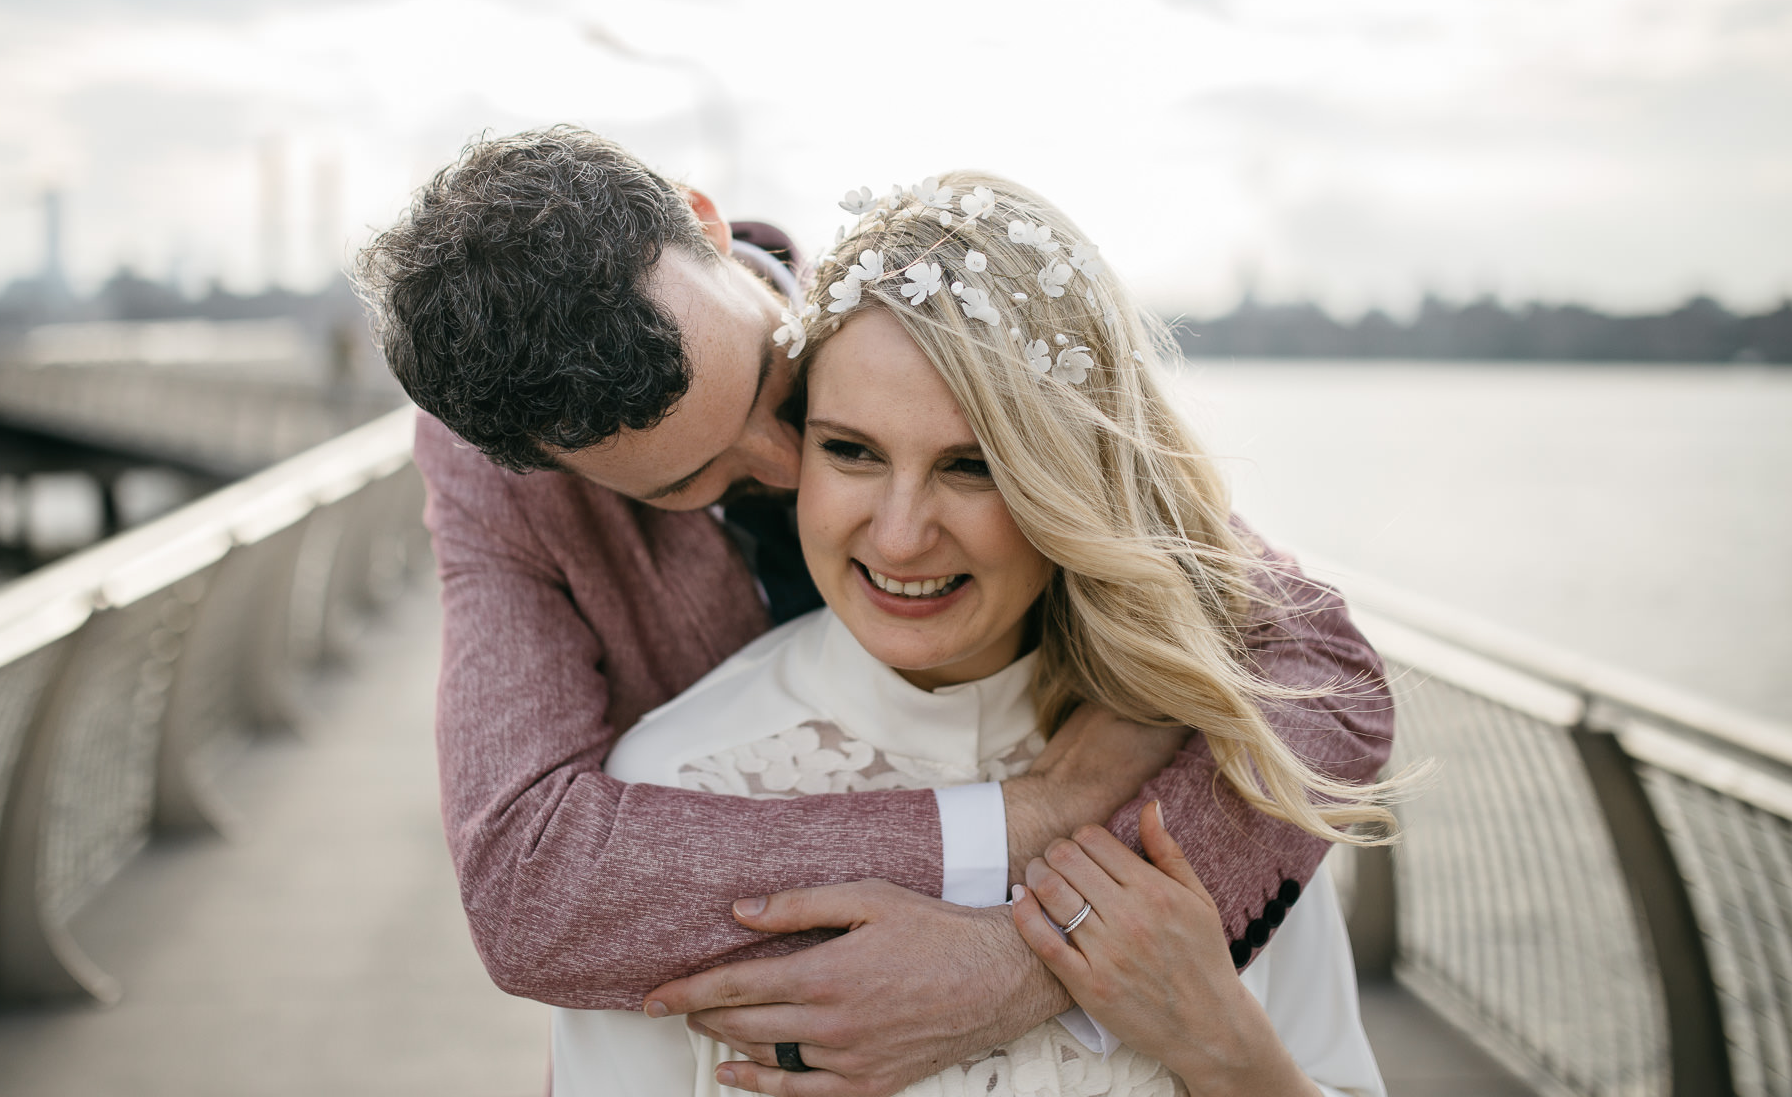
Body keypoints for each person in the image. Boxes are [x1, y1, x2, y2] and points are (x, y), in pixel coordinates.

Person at [354, 128, 1393, 1096]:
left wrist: (1020, 965)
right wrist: (1033, 814)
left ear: (705, 221)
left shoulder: (921, 323)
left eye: (777, 386)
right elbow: (534, 889)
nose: (780, 464)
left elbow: (1318, 665)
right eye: (689, 481)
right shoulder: (511, 486)